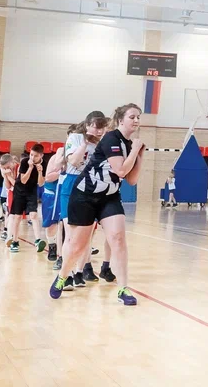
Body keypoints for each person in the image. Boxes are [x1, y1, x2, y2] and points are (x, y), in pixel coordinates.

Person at [52, 104, 143, 305]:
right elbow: (121, 171)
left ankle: (123, 289)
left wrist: (139, 155)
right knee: (78, 245)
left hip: (109, 196)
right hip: (85, 195)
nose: (136, 120)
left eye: (138, 117)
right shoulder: (111, 138)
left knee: (118, 238)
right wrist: (135, 150)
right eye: (132, 117)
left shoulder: (129, 144)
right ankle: (62, 276)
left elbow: (131, 180)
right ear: (120, 120)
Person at [57, 112, 110, 286]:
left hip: (91, 186)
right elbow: (73, 161)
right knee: (70, 234)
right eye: (95, 126)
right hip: (72, 184)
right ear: (87, 125)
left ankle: (79, 272)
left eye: (101, 127)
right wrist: (85, 143)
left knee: (86, 236)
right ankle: (66, 274)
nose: (98, 130)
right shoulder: (75, 138)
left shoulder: (103, 144)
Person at [8, 145, 45, 253]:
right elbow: (23, 180)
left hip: (32, 191)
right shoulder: (25, 162)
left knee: (33, 215)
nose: (32, 157)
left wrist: (40, 172)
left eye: (36, 156)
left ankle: (38, 240)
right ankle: (15, 241)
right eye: (31, 154)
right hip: (20, 191)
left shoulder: (44, 164)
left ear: (41, 155)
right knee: (18, 217)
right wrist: (30, 168)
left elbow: (40, 183)